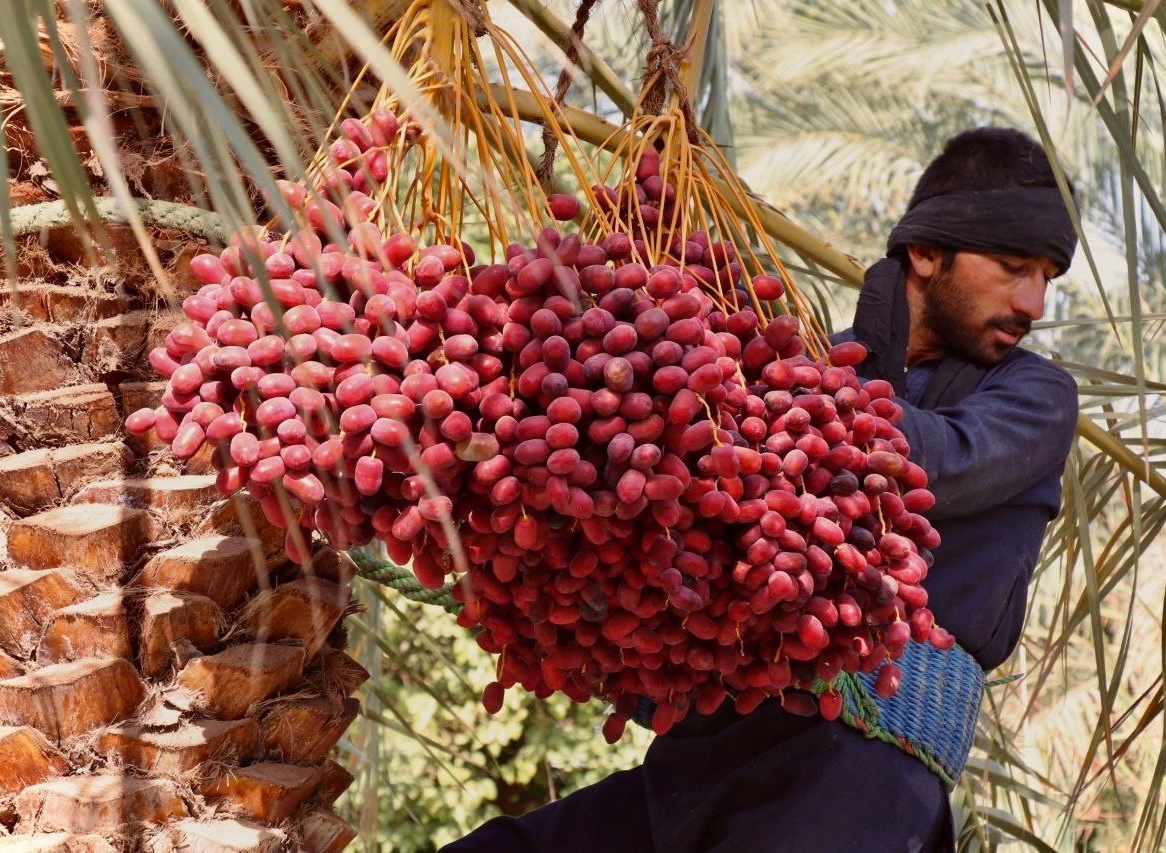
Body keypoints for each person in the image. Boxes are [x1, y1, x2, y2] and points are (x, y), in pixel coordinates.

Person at [443, 127, 1080, 852]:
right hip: (704, 760)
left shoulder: (1035, 395)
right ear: (928, 253)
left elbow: (909, 460)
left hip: (855, 776)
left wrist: (744, 373)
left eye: (1046, 278)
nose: (1033, 302)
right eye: (1013, 267)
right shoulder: (794, 372)